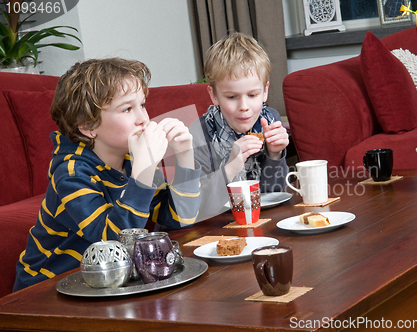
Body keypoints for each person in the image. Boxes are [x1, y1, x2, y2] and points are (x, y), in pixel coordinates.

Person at [13, 58, 201, 291]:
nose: (143, 118)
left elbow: (179, 218)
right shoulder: (71, 172)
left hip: (106, 282)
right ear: (88, 126)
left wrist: (184, 157)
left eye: (142, 105)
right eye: (127, 109)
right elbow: (114, 240)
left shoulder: (134, 160)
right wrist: (143, 172)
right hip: (49, 289)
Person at [191, 32, 289, 221]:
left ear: (265, 91)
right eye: (232, 97)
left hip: (261, 219)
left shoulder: (270, 120)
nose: (244, 106)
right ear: (214, 95)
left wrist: (275, 155)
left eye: (252, 95)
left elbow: (275, 193)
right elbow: (196, 208)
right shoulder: (198, 135)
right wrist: (230, 168)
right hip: (217, 225)